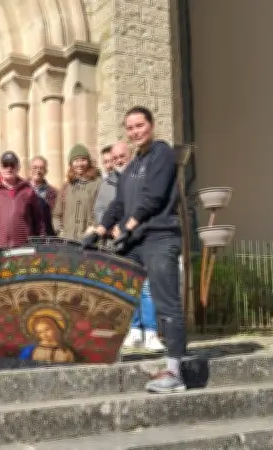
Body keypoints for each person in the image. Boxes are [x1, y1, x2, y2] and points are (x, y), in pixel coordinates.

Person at [92, 106, 185, 394]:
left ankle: (175, 371)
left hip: (159, 236)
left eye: (140, 125)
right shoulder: (131, 166)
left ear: (151, 125)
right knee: (115, 294)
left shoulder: (162, 154)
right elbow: (118, 204)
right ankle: (111, 352)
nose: (135, 132)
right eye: (130, 128)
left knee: (166, 301)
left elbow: (153, 198)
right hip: (135, 241)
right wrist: (98, 229)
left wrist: (129, 226)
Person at [95, 142, 165, 352]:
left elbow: (149, 205)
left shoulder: (142, 174)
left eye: (122, 156)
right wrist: (105, 229)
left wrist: (126, 226)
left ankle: (151, 332)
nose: (118, 160)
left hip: (143, 237)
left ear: (131, 154)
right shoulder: (107, 182)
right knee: (128, 287)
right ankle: (134, 330)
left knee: (146, 289)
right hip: (121, 242)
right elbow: (108, 208)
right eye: (114, 157)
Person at [0, 151, 46, 250]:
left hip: (23, 248)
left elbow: (38, 221)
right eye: (5, 165)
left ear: (18, 167)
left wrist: (40, 245)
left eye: (12, 165)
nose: (9, 168)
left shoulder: (28, 191)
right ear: (0, 167)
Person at [53, 144, 100, 240]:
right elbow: (57, 214)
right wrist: (61, 232)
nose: (80, 164)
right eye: (76, 160)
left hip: (90, 242)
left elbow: (102, 211)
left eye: (83, 160)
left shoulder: (98, 184)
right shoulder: (66, 186)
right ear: (71, 164)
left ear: (89, 162)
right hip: (68, 242)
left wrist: (93, 229)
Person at [28, 155, 58, 236]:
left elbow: (56, 216)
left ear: (46, 171)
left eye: (41, 168)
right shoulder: (21, 189)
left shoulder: (53, 193)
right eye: (35, 167)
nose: (38, 171)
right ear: (29, 169)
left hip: (45, 237)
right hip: (25, 237)